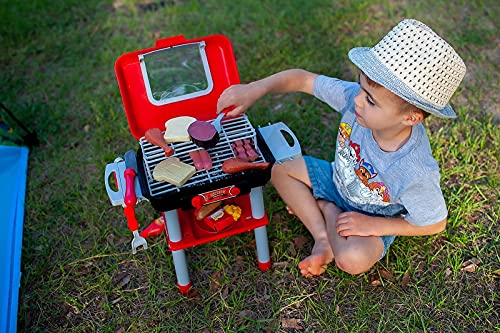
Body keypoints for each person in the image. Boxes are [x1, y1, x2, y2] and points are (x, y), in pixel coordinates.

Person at [216, 19, 466, 277]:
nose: (356, 100)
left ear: (411, 118)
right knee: (280, 171)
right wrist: (256, 88)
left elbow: (435, 223)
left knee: (352, 260)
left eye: (370, 100)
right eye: (361, 87)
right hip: (337, 181)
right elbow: (303, 79)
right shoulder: (356, 99)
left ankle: (325, 207)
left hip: (374, 214)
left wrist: (374, 225)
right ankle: (323, 237)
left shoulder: (413, 169)